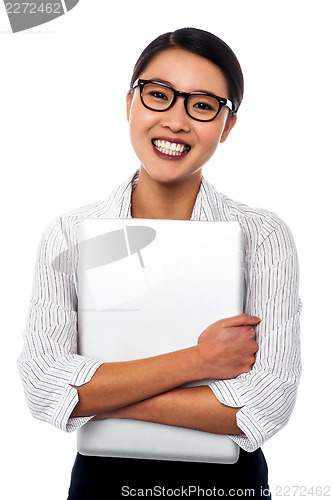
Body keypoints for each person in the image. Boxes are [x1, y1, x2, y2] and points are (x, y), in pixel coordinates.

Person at [18, 28, 302, 499]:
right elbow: (44, 387)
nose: (176, 121)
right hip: (102, 486)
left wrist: (98, 395)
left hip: (226, 488)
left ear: (227, 126)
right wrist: (200, 361)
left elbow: (264, 406)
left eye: (203, 105)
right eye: (159, 95)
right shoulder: (69, 234)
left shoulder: (263, 236)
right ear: (129, 103)